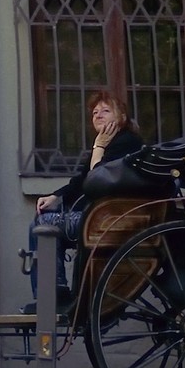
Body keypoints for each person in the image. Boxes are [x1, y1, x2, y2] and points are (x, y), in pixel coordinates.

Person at [28, 93, 143, 305]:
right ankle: (57, 291)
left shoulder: (126, 143)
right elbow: (81, 180)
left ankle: (51, 296)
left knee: (41, 224)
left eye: (106, 111)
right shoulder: (110, 142)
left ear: (122, 117)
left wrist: (98, 148)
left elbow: (97, 179)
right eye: (95, 112)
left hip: (110, 219)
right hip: (102, 214)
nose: (98, 115)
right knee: (46, 216)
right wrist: (55, 196)